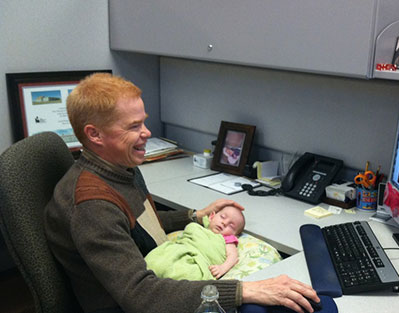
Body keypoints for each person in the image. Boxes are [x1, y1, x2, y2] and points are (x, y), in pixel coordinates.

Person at [44, 73, 319, 313]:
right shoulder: (91, 205)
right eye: (133, 126)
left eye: (143, 122)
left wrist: (196, 216)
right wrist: (244, 291)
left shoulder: (120, 166)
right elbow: (140, 297)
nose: (147, 133)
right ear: (95, 135)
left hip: (156, 273)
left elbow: (137, 225)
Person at [145, 205, 246, 280]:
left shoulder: (227, 240)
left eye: (231, 226)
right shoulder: (199, 228)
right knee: (158, 261)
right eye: (223, 217)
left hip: (199, 261)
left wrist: (222, 268)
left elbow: (233, 257)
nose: (224, 223)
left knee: (187, 275)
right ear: (211, 216)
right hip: (180, 250)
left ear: (235, 235)